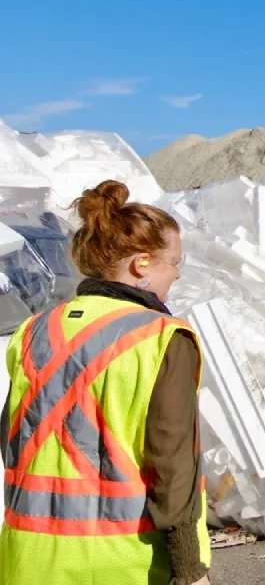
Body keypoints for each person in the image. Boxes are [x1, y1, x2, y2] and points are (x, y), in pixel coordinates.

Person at [0, 180, 210, 585]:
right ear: (142, 264)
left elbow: (11, 437)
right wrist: (189, 569)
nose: (178, 274)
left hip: (27, 559)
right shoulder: (162, 336)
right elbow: (172, 461)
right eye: (174, 261)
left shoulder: (31, 332)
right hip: (124, 562)